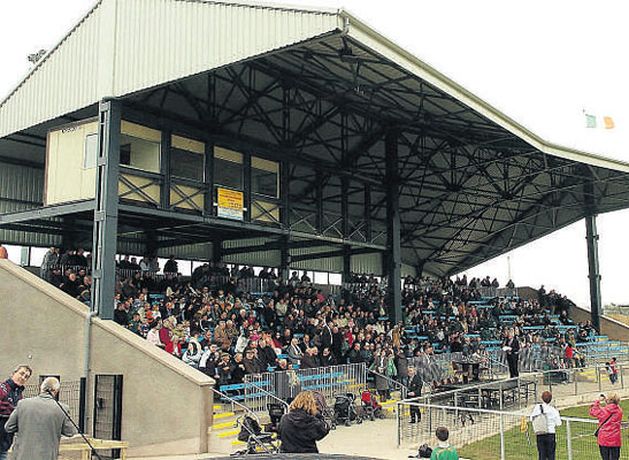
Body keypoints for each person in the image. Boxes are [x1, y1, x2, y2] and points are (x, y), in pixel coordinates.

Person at [4, 377, 77, 460]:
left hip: (21, 455)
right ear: (56, 391)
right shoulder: (62, 408)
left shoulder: (23, 404)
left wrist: (24, 427)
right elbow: (71, 432)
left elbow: (9, 427)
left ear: (41, 388)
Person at [0, 365, 32, 460]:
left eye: (26, 377)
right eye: (21, 373)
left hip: (5, 442)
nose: (23, 377)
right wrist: (15, 410)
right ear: (13, 373)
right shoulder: (2, 389)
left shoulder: (19, 395)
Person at [529, 391, 562, 460]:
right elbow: (559, 423)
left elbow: (531, 418)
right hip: (550, 434)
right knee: (551, 455)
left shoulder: (537, 407)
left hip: (540, 433)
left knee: (541, 454)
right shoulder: (554, 410)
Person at [590, 393, 623, 460]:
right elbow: (614, 407)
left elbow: (593, 411)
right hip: (615, 439)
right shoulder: (619, 411)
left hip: (604, 439)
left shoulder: (603, 411)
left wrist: (597, 401)